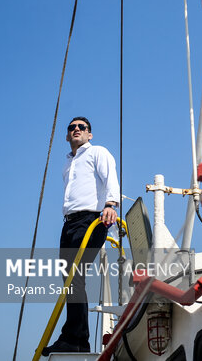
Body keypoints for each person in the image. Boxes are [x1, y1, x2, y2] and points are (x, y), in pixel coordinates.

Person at [42, 117, 120, 356]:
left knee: (75, 276)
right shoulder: (69, 163)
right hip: (70, 223)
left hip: (92, 220)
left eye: (81, 127)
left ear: (89, 134)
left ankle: (73, 337)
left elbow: (110, 177)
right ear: (67, 136)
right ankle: (77, 340)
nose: (76, 130)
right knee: (70, 280)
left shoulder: (97, 152)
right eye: (72, 128)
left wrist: (111, 204)